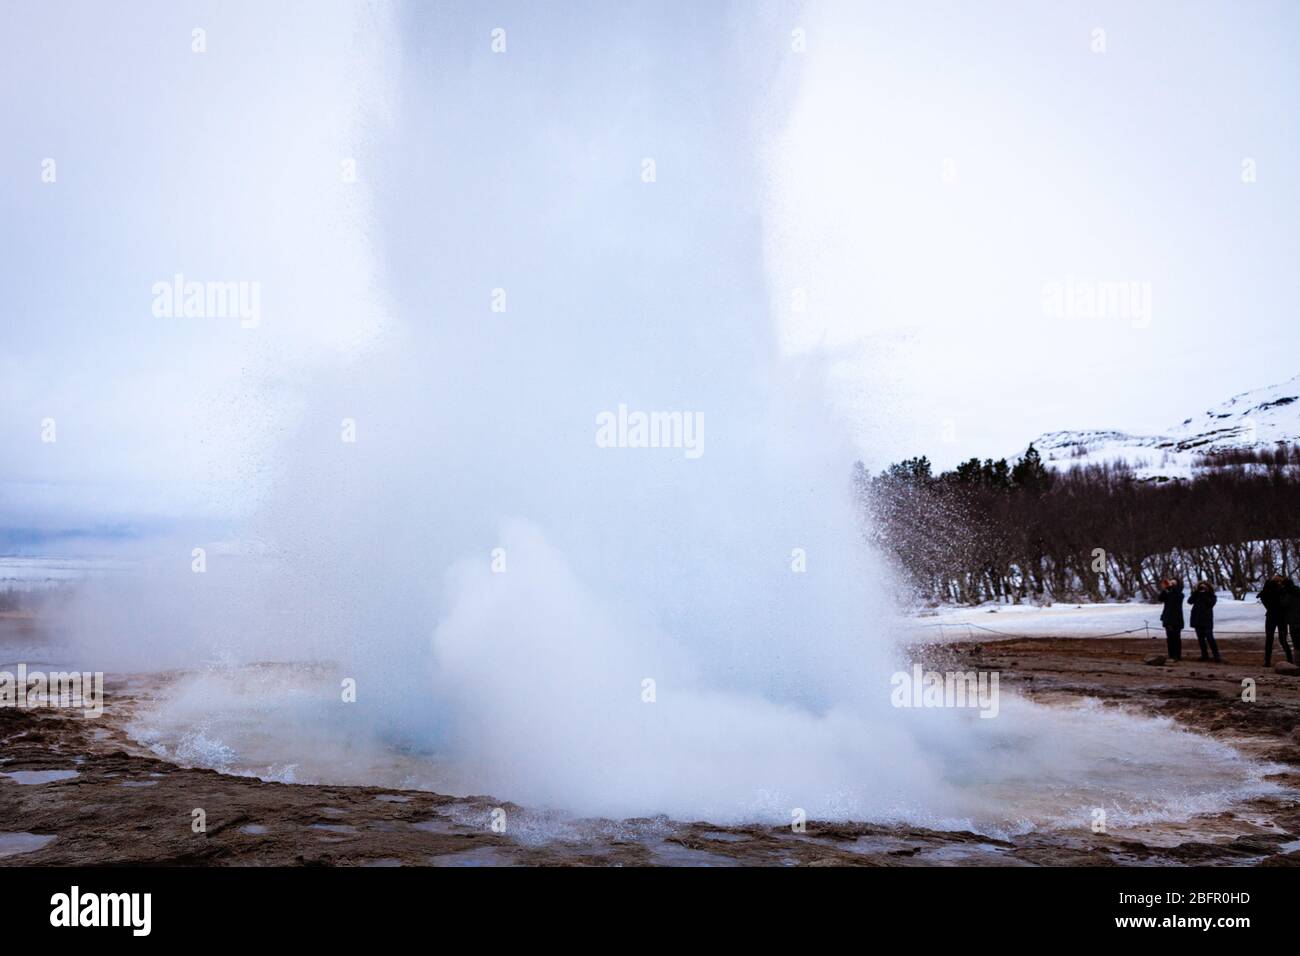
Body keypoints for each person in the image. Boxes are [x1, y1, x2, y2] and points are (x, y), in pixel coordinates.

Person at [1258, 574, 1294, 667]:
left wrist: (1269, 608)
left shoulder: (1266, 590)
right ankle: (1290, 660)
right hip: (1281, 617)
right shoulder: (1282, 590)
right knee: (1283, 640)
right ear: (1279, 582)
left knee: (1269, 639)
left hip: (1270, 616)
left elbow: (1263, 599)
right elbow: (1285, 603)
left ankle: (1267, 661)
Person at [1188, 581, 1220, 662]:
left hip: (1207, 620)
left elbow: (1210, 603)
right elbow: (1190, 601)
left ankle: (1216, 655)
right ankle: (1204, 655)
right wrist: (1196, 592)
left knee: (1210, 638)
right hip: (1197, 619)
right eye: (1201, 587)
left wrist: (1204, 594)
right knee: (1201, 639)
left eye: (1204, 587)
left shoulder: (1212, 596)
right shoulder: (1197, 595)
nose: (1202, 589)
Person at [1157, 577, 1185, 662]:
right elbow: (1160, 598)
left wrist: (1172, 587)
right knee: (1169, 638)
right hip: (1168, 618)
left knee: (1176, 638)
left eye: (1173, 583)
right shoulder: (1168, 594)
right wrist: (1166, 588)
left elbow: (1177, 596)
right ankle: (1171, 655)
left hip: (1176, 619)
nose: (1171, 585)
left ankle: (1177, 655)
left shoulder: (1180, 594)